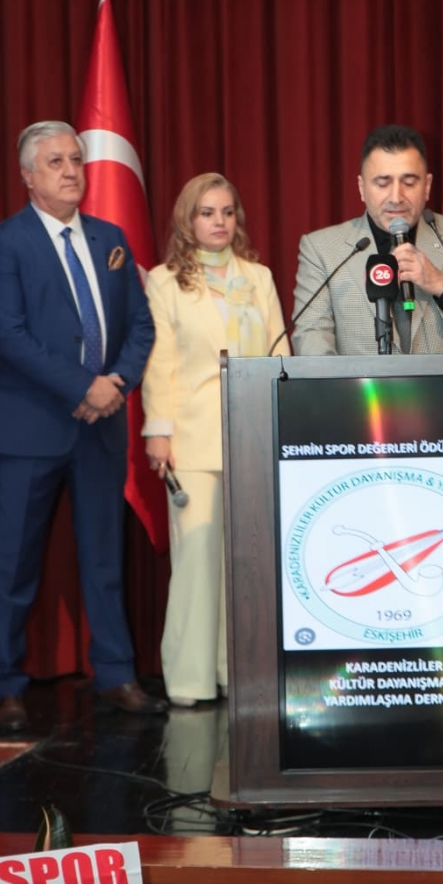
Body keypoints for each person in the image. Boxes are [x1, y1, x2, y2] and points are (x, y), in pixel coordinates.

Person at [0, 120, 167, 734]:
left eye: (76, 159)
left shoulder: (111, 238)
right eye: (55, 161)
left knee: (105, 557)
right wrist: (84, 386)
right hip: (31, 428)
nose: (70, 170)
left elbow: (141, 325)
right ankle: (6, 685)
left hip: (101, 426)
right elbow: (9, 335)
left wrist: (117, 383)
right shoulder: (2, 243)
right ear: (28, 176)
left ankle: (115, 675)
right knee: (14, 563)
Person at [141, 173, 290, 708]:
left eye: (227, 212)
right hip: (193, 440)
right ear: (188, 219)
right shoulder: (165, 282)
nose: (219, 222)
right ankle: (189, 680)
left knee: (248, 562)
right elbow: (158, 363)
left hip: (254, 435)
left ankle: (237, 673)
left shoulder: (258, 277)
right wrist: (158, 431)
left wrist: (284, 423)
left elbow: (280, 352)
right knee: (198, 563)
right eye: (207, 213)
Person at [292, 124, 443, 354]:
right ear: (362, 188)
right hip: (362, 382)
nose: (396, 197)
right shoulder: (322, 249)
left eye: (409, 183)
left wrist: (441, 284)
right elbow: (311, 341)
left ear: (427, 186)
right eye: (382, 183)